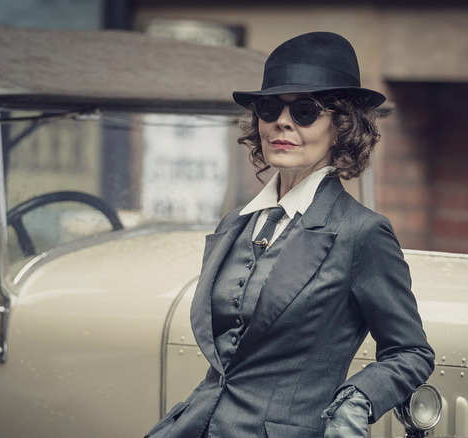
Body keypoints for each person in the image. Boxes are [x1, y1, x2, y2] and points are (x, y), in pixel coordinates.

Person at [145, 31, 434, 438]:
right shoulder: (235, 224)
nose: (281, 121)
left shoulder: (361, 233)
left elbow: (411, 352)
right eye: (269, 108)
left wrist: (356, 400)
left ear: (342, 126)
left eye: (304, 110)